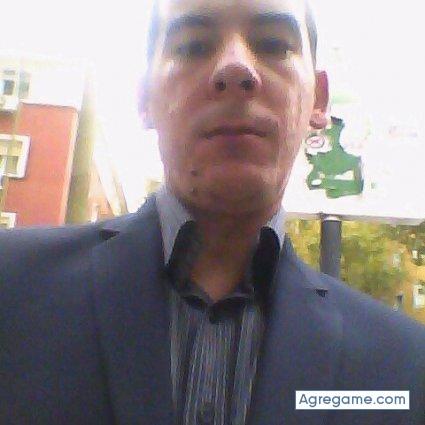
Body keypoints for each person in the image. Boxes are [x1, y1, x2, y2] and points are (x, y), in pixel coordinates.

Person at [1, 0, 424, 424]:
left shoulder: (404, 369)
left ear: (319, 98)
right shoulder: (10, 290)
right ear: (144, 98)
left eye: (273, 45)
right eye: (193, 46)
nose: (236, 68)